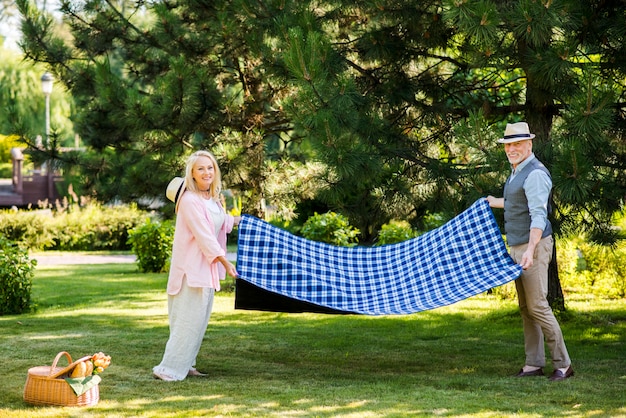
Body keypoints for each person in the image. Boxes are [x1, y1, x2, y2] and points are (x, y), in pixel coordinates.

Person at [486, 122, 574, 382]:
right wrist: (494, 202)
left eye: (517, 144)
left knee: (538, 306)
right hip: (518, 246)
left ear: (529, 145)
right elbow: (518, 202)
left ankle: (563, 364)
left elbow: (538, 215)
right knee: (526, 308)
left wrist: (531, 250)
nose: (511, 149)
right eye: (508, 145)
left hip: (532, 246)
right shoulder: (517, 171)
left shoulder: (535, 173)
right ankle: (534, 363)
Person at [153, 150, 241, 381]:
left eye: (210, 167)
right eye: (201, 168)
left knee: (197, 323)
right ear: (191, 173)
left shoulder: (209, 199)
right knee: (186, 323)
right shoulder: (190, 201)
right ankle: (168, 370)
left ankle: (188, 364)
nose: (207, 172)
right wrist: (225, 261)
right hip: (190, 272)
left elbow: (223, 222)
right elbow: (205, 236)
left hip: (206, 272)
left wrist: (248, 221)